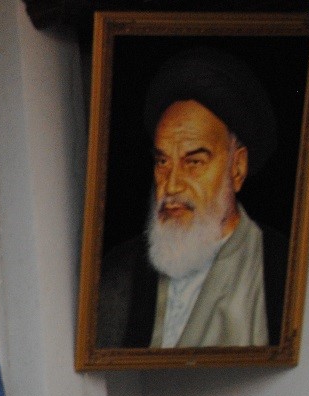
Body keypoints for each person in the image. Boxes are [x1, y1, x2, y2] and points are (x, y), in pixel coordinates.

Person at [97, 46, 286, 349]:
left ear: (237, 167)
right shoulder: (120, 273)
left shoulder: (282, 270)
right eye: (163, 162)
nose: (171, 185)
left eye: (193, 162)